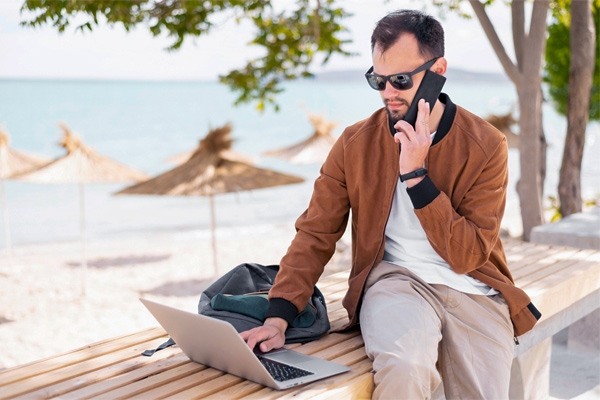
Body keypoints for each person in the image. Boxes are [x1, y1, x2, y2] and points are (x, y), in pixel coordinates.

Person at [241, 9, 540, 399]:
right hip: (396, 280)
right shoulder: (354, 144)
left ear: (438, 69)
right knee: (404, 368)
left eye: (400, 79)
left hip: (474, 289)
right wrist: (278, 316)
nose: (388, 92)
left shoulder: (486, 146)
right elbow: (316, 232)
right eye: (377, 80)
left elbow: (467, 256)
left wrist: (416, 176)